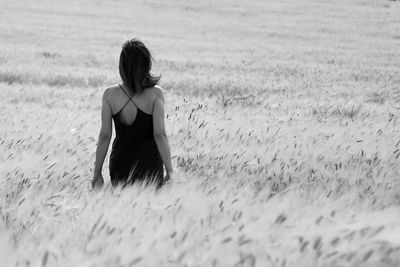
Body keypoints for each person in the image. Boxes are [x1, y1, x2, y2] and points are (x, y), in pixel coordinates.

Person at [91, 38, 173, 190]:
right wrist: (169, 170)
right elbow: (160, 134)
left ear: (122, 67)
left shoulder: (109, 95)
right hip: (149, 165)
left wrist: (97, 173)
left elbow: (104, 136)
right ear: (146, 65)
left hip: (120, 165)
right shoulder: (156, 94)